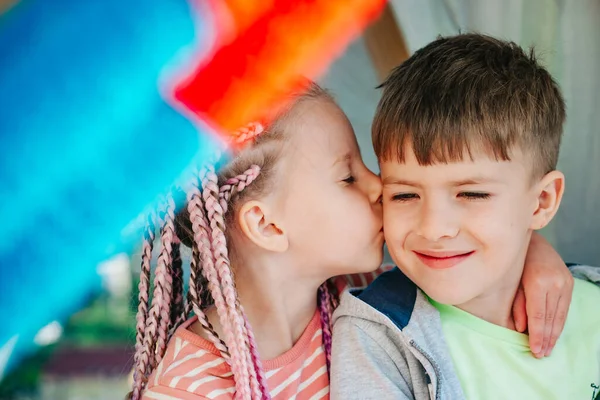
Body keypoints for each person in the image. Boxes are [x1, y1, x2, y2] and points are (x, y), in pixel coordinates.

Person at [130, 78, 580, 400]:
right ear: (268, 226)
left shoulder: (361, 292)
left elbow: (471, 251)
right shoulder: (192, 384)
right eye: (348, 176)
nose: (379, 186)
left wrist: (536, 253)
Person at [330, 34, 600, 400]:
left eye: (471, 194)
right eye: (405, 194)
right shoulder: (379, 332)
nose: (434, 228)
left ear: (541, 202)